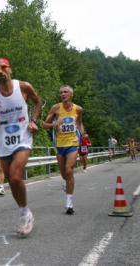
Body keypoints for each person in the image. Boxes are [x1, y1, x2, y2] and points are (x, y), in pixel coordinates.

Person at [0, 58, 42, 235]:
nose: (0, 71)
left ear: (10, 69)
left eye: (3, 68)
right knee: (11, 182)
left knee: (14, 177)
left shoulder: (23, 87)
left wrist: (34, 121)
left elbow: (38, 102)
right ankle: (25, 211)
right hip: (3, 141)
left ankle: (24, 214)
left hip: (23, 137)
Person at [42, 85, 86, 215]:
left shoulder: (78, 109)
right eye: (61, 92)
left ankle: (69, 203)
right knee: (64, 174)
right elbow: (44, 125)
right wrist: (54, 124)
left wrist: (83, 133)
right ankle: (67, 182)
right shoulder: (56, 108)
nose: (63, 94)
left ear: (71, 94)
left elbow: (79, 123)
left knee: (69, 169)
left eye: (65, 92)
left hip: (72, 143)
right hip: (59, 144)